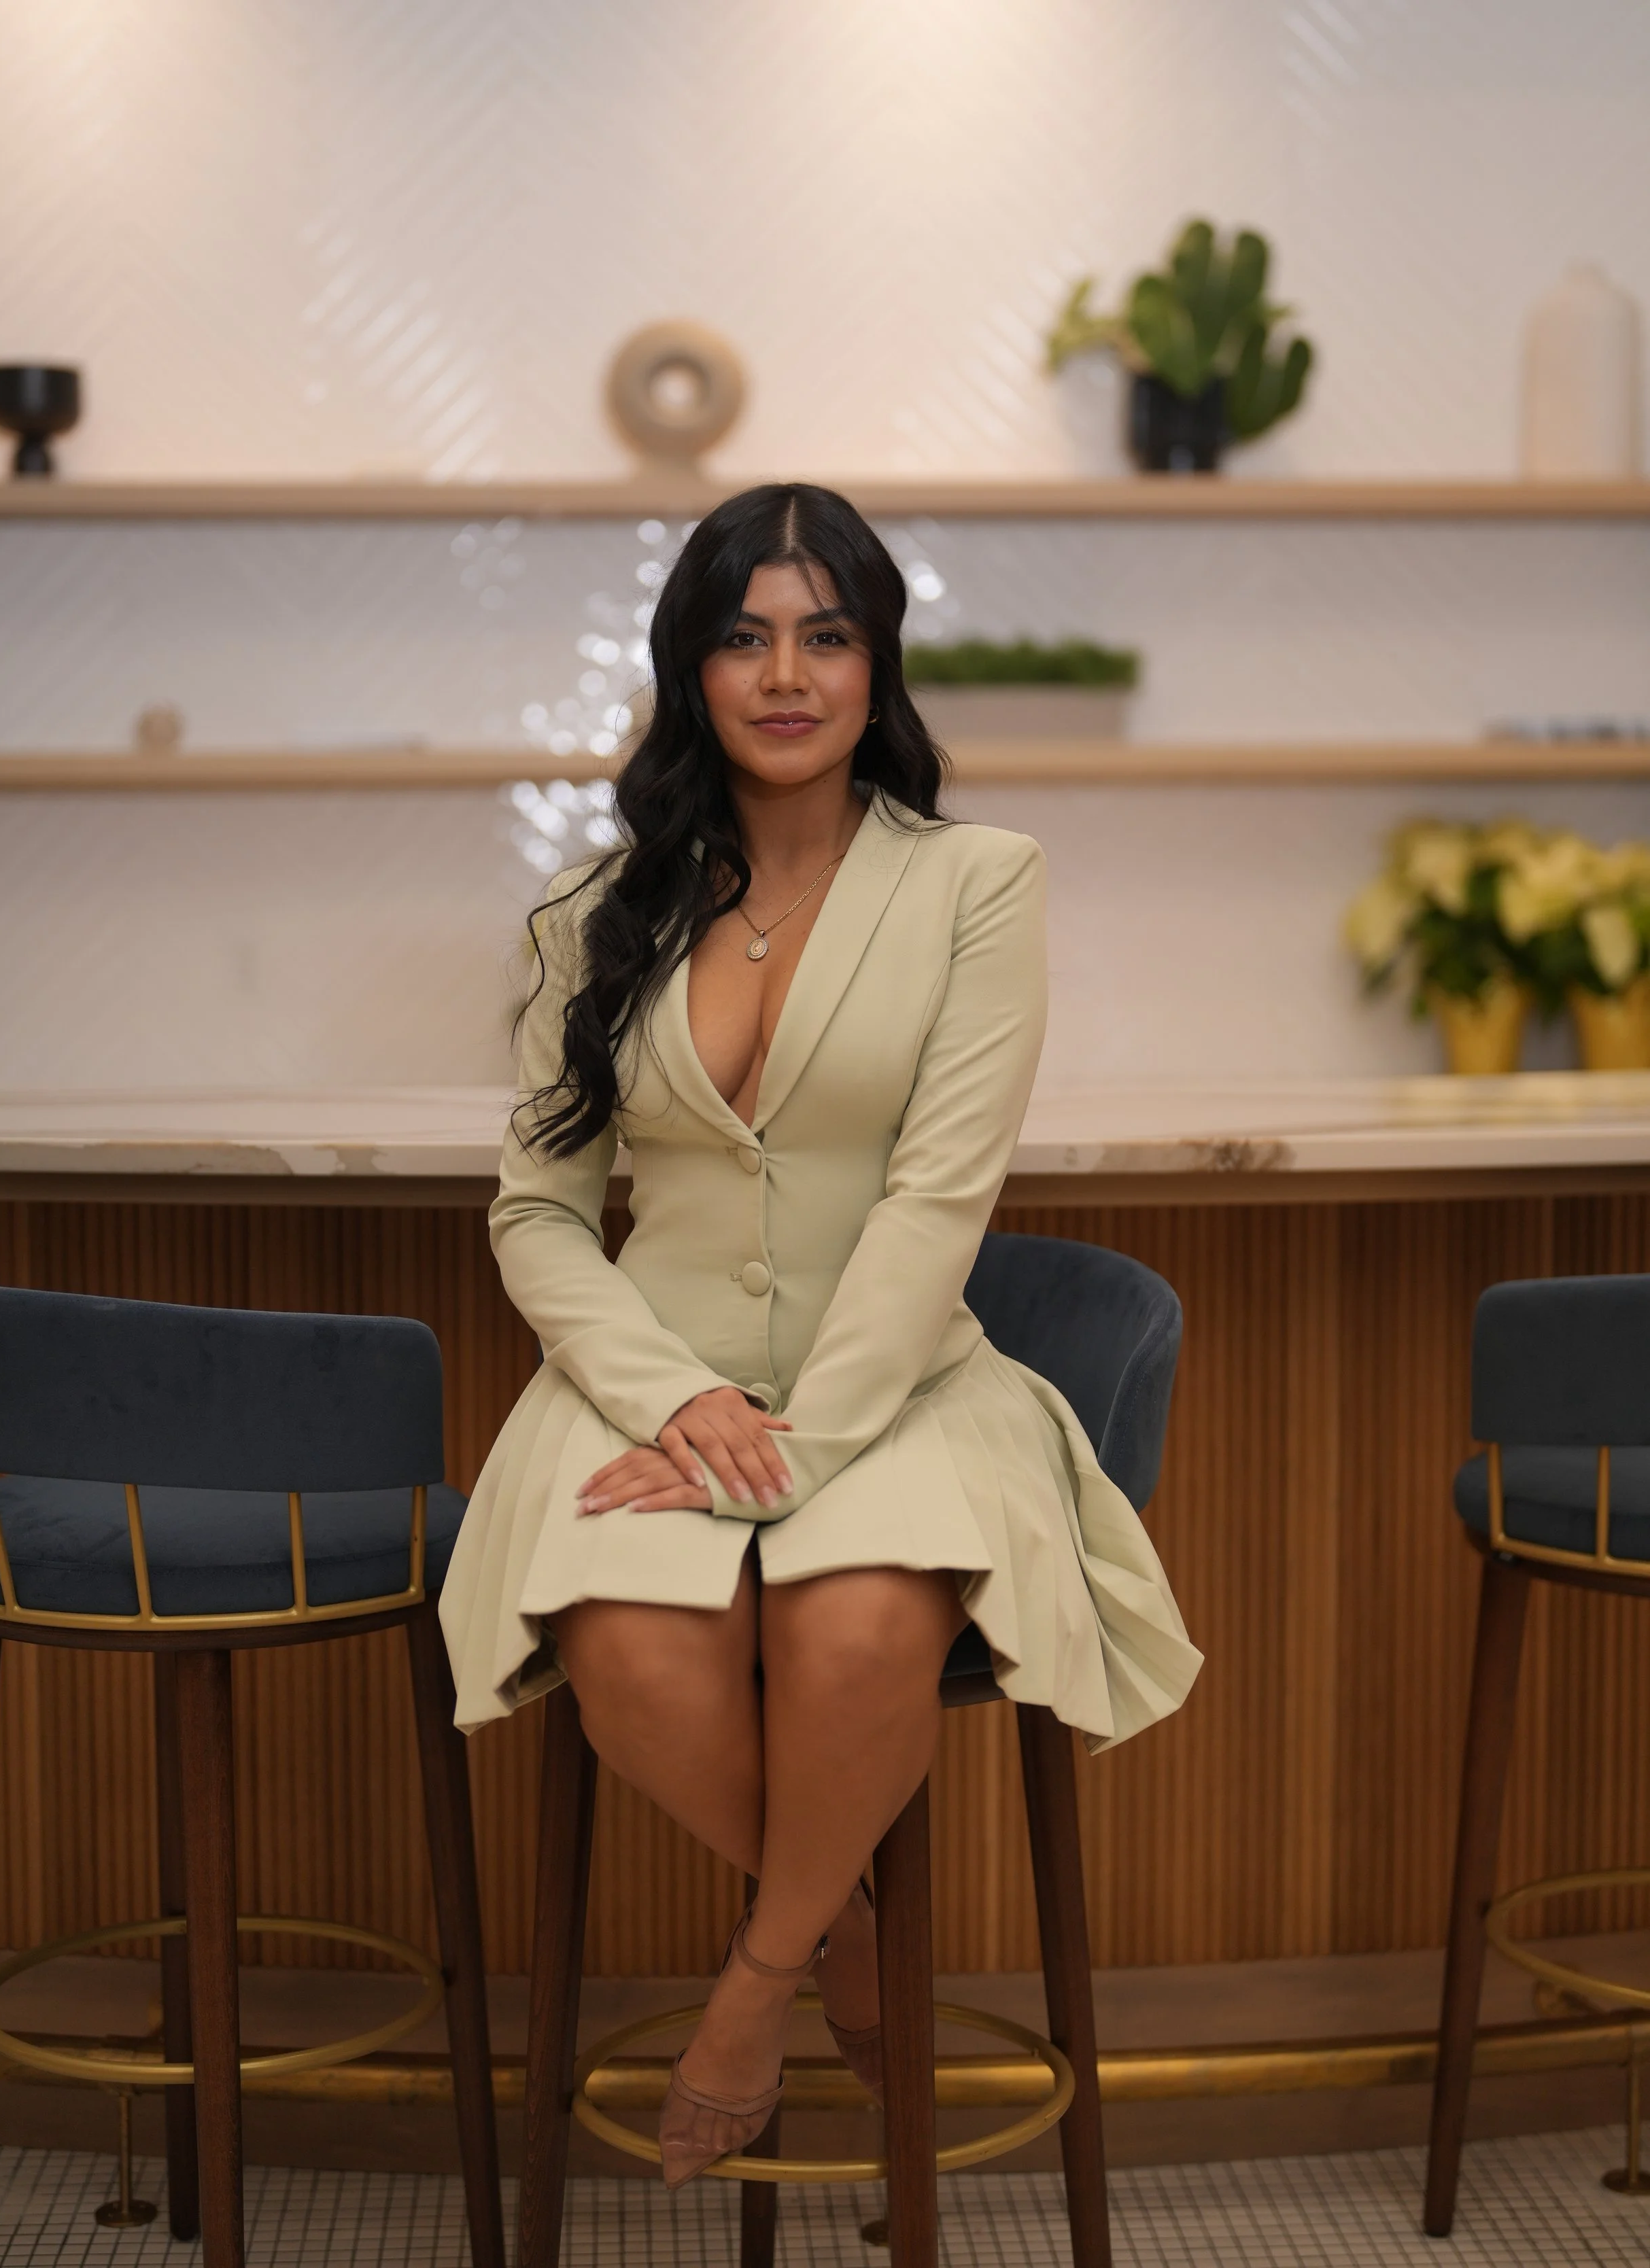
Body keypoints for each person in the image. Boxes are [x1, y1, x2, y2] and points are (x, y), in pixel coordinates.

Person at [440, 483, 1201, 2188]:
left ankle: (758, 1981)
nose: (786, 674)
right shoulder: (590, 914)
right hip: (649, 1378)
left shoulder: (978, 885)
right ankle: (851, 1935)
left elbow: (938, 1201)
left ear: (877, 666)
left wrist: (801, 1454)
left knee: (859, 1634)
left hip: (900, 1377)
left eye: (827, 635)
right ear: (691, 669)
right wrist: (675, 1398)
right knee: (629, 1650)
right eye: (743, 636)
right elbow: (539, 1214)